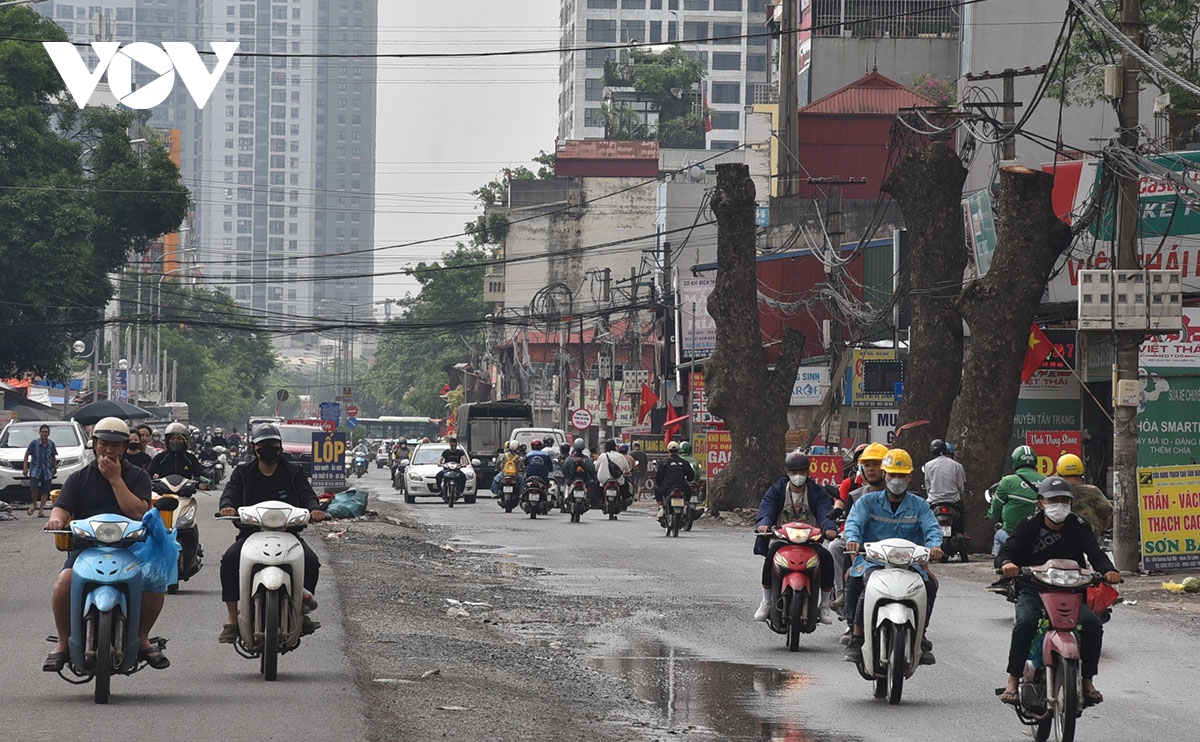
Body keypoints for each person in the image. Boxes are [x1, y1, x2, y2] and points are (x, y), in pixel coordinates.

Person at [42, 417, 170, 671]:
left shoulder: (138, 477)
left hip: (131, 548)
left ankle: (142, 637)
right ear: (95, 444)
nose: (109, 450)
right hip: (86, 549)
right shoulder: (79, 478)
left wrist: (115, 480)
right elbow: (60, 509)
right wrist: (56, 521)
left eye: (115, 445)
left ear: (124, 448)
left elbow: (138, 511)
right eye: (104, 444)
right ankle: (63, 642)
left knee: (155, 582)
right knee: (63, 583)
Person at [996, 476, 1121, 706]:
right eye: (1053, 500)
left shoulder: (1078, 525)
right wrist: (1006, 565)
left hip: (1071, 592)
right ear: (1041, 502)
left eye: (1064, 500)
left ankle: (1087, 680)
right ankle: (1013, 680)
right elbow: (1007, 552)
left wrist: (1109, 571)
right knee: (1026, 623)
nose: (1059, 505)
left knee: (1092, 625)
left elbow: (1095, 554)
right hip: (1034, 590)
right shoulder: (1029, 525)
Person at [217, 423, 326, 643]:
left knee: (311, 562)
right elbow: (230, 493)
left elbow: (307, 494)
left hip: (289, 535)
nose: (269, 448)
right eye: (263, 444)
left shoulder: (294, 472)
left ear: (280, 446)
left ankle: (301, 612)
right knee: (228, 561)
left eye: (273, 443)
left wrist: (314, 509)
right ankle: (232, 620)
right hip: (251, 537)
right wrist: (227, 505)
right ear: (254, 447)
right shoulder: (243, 473)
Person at [842, 448, 943, 665]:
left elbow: (932, 528)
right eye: (892, 475)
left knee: (930, 586)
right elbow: (854, 523)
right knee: (858, 583)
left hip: (910, 565)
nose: (896, 480)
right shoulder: (867, 502)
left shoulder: (920, 505)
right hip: (873, 561)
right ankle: (856, 635)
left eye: (901, 476)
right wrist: (852, 539)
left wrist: (935, 546)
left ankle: (921, 635)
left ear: (910, 477)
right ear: (885, 475)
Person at [753, 451, 840, 625]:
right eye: (793, 471)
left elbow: (825, 512)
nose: (797, 475)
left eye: (801, 471)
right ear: (787, 472)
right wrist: (763, 524)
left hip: (810, 541)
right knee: (770, 557)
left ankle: (823, 604)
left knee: (826, 557)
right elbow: (767, 509)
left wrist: (829, 528)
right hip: (782, 539)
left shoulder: (817, 492)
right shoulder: (777, 490)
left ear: (808, 471)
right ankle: (766, 601)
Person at [829, 442, 890, 638]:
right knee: (853, 575)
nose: (871, 469)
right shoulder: (856, 497)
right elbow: (852, 526)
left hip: (896, 554)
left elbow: (921, 525)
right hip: (865, 553)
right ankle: (852, 622)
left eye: (876, 464)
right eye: (867, 464)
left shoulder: (909, 500)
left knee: (927, 584)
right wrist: (854, 548)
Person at [987, 445, 1044, 556]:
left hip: (1012, 534)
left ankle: (1001, 565)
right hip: (1039, 536)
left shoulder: (1007, 481)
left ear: (1014, 461)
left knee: (998, 535)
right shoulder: (1045, 480)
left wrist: (990, 515)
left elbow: (996, 507)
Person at [1055, 453, 1113, 542]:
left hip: (1059, 542)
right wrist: (1100, 531)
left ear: (1059, 473)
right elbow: (1108, 514)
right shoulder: (1093, 491)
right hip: (1090, 542)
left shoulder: (1053, 493)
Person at [923, 438, 968, 540]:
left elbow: (928, 485)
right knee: (963, 512)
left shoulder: (928, 465)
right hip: (953, 501)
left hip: (934, 501)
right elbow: (961, 487)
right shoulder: (957, 465)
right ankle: (964, 531)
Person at [22, 423, 58, 517]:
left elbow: (53, 456)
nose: (44, 434)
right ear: (39, 433)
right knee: (34, 487)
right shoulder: (34, 443)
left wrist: (54, 467)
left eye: (46, 432)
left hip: (47, 470)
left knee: (45, 490)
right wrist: (25, 467)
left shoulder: (51, 444)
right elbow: (26, 455)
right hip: (35, 469)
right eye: (43, 432)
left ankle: (41, 510)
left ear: (49, 433)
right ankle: (34, 504)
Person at [654, 441, 694, 520]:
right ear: (678, 451)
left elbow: (659, 477)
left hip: (667, 487)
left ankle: (661, 508)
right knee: (689, 491)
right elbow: (691, 477)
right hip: (683, 487)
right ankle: (685, 507)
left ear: (668, 451)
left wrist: (660, 484)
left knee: (656, 488)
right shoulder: (684, 462)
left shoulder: (664, 462)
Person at [595, 439, 633, 509]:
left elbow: (596, 467)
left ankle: (599, 502)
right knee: (625, 487)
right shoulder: (621, 456)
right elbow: (627, 469)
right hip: (618, 480)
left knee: (597, 487)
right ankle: (623, 502)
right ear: (615, 447)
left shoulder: (602, 456)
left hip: (603, 480)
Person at [564, 438, 598, 503]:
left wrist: (567, 477)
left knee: (566, 483)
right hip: (584, 480)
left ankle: (566, 497)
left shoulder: (570, 458)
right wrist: (593, 479)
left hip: (572, 479)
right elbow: (591, 469)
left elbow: (565, 469)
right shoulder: (586, 459)